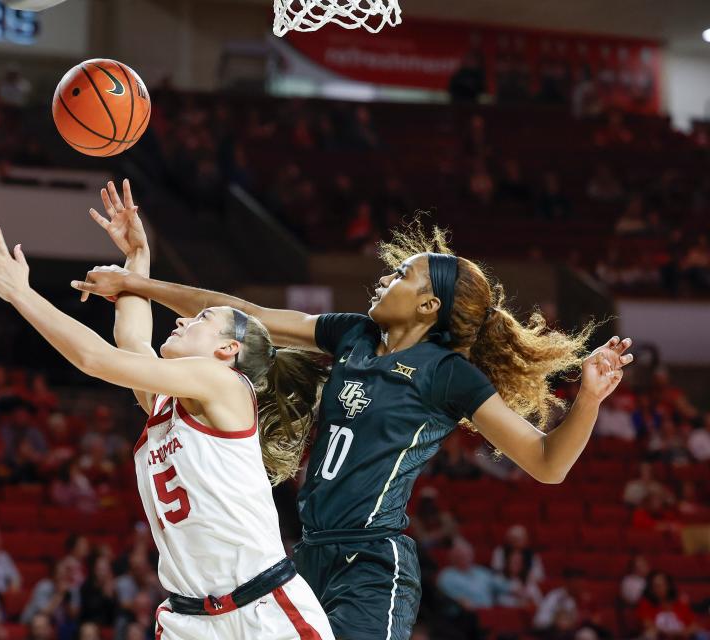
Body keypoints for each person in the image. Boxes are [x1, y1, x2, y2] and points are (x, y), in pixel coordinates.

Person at [71, 192, 635, 640]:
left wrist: (586, 400)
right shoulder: (354, 334)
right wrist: (138, 282)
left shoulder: (447, 374)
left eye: (402, 276)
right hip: (305, 555)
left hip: (372, 562)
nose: (386, 278)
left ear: (428, 306)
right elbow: (252, 316)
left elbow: (546, 463)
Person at [0, 180, 335, 639]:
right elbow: (132, 342)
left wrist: (21, 293)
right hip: (189, 621)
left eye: (201, 319)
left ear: (228, 350)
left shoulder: (225, 385)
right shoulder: (170, 405)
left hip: (262, 613)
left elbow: (96, 359)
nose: (181, 319)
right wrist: (136, 259)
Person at [635, 571, 702, 638]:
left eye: (662, 585)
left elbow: (694, 626)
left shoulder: (679, 603)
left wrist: (682, 633)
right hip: (660, 637)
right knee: (650, 634)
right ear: (650, 589)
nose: (659, 589)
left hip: (681, 637)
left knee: (702, 635)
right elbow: (648, 625)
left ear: (669, 586)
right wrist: (674, 633)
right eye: (655, 586)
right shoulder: (645, 603)